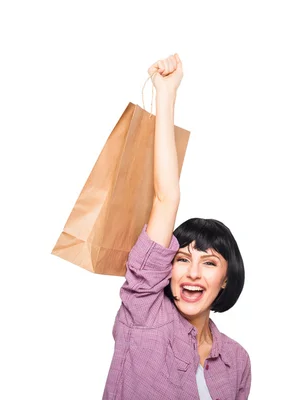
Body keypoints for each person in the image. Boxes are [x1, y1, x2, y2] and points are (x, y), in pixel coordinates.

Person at [102, 54, 251, 400]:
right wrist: (166, 94)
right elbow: (166, 198)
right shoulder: (144, 316)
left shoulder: (237, 361)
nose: (193, 273)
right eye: (183, 259)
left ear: (226, 278)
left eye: (210, 262)